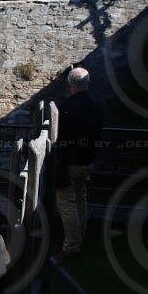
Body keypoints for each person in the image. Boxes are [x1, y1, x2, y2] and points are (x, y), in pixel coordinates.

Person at [54, 67, 105, 261]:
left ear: (70, 85)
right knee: (80, 198)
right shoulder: (98, 105)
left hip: (70, 161)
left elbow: (62, 137)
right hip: (88, 159)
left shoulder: (66, 107)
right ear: (88, 83)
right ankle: (79, 235)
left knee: (66, 203)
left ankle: (72, 245)